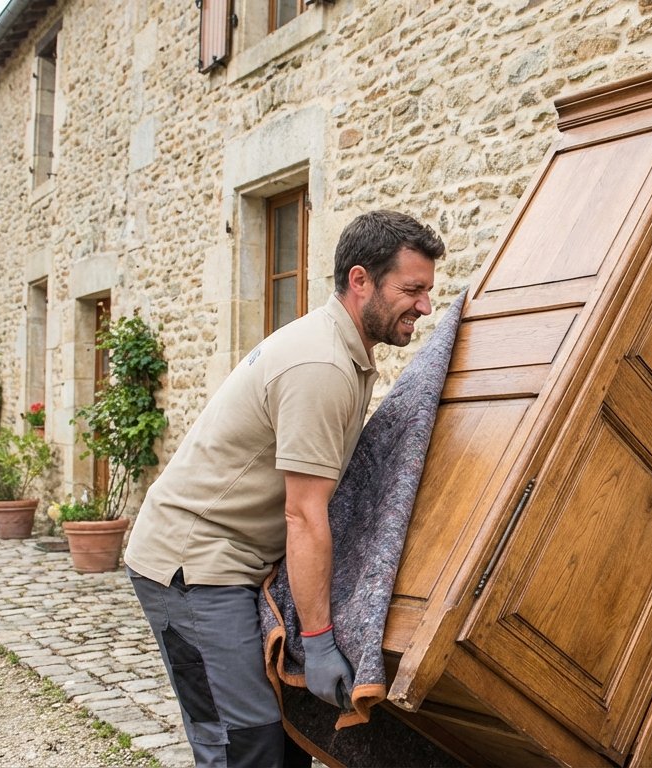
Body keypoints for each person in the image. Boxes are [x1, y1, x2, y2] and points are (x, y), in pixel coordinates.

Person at [124, 210, 446, 767]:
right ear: (360, 280)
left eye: (427, 291)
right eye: (412, 289)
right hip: (193, 563)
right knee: (244, 743)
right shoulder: (320, 363)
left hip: (238, 560)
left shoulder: (342, 348)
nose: (424, 306)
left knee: (285, 737)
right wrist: (318, 640)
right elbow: (304, 513)